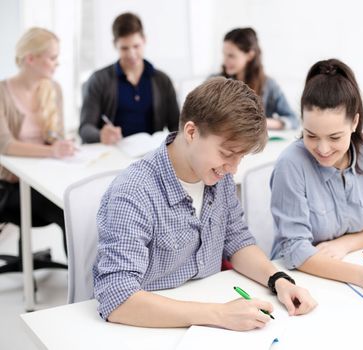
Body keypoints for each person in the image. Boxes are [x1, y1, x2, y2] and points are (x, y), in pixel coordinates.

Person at [93, 77, 317, 330]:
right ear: (191, 132)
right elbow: (117, 298)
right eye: (227, 154)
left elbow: (238, 241)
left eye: (240, 157)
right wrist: (219, 315)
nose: (233, 169)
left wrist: (279, 280)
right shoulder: (133, 192)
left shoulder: (217, 177)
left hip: (205, 313)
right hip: (146, 328)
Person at [270, 59, 363, 297]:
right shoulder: (291, 164)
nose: (322, 148)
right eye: (311, 135)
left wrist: (344, 245)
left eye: (334, 137)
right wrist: (362, 276)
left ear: (355, 123)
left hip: (349, 268)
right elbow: (295, 250)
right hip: (301, 282)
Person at [0, 27, 74, 250]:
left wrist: (61, 144)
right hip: (10, 187)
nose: (56, 63)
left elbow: (55, 135)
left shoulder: (54, 89)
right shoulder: (2, 93)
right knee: (68, 212)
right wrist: (52, 151)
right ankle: (79, 284)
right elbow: (5, 145)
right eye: (52, 58)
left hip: (46, 179)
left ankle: (86, 280)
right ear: (31, 58)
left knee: (82, 205)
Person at [79, 12, 179, 144]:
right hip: (113, 153)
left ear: (144, 40)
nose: (131, 54)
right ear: (115, 45)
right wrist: (100, 135)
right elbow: (85, 128)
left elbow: (176, 125)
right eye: (124, 48)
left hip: (152, 153)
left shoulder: (162, 80)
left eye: (136, 46)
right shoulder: (99, 80)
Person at [215, 27, 298, 130]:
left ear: (250, 55)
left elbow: (293, 120)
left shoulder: (269, 85)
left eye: (231, 56)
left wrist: (262, 123)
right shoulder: (215, 82)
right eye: (224, 54)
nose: (225, 61)